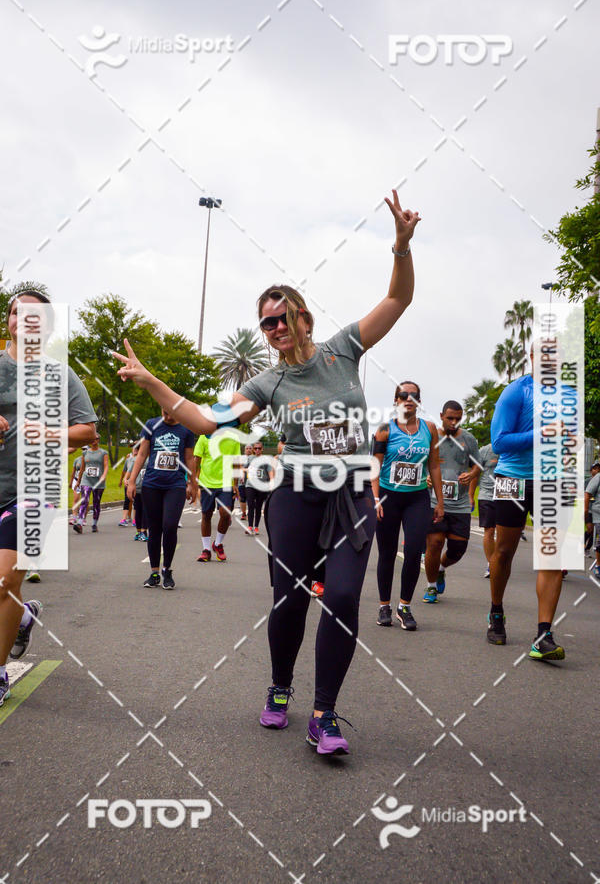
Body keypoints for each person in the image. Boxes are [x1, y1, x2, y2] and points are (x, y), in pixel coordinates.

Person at [113, 188, 420, 755]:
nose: (273, 329)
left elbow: (398, 299)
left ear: (302, 315)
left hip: (351, 494)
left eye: (280, 318)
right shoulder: (266, 384)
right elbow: (205, 422)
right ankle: (281, 687)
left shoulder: (344, 348)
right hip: (295, 495)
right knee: (290, 600)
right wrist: (153, 381)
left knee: (346, 597)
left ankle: (324, 713)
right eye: (264, 324)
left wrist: (400, 246)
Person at [1, 290, 97, 704]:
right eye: (16, 312)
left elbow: (87, 431)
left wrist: (48, 432)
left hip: (34, 489)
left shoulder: (61, 375)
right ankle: (22, 618)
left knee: (4, 581)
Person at [487, 344, 565, 660]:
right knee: (504, 552)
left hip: (553, 481)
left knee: (553, 560)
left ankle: (543, 634)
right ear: (532, 358)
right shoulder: (516, 392)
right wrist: (542, 433)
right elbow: (499, 441)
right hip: (512, 479)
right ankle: (495, 612)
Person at [372, 382, 442, 630]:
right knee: (387, 553)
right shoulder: (384, 430)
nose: (409, 399)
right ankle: (384, 606)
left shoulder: (430, 429)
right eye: (404, 395)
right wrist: (376, 498)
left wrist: (440, 502)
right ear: (396, 400)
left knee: (414, 552)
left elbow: (434, 465)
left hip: (417, 498)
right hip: (389, 497)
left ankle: (404, 606)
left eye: (414, 395)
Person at [127, 409, 196, 589]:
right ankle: (154, 572)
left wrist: (192, 483)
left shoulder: (186, 429)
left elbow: (189, 458)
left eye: (170, 412)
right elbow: (142, 454)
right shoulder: (151, 424)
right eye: (164, 412)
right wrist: (132, 481)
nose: (167, 416)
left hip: (175, 484)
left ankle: (168, 569)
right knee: (155, 528)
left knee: (170, 525)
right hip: (152, 484)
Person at [422, 401, 481, 603]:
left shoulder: (468, 439)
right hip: (434, 502)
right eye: (450, 418)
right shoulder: (432, 437)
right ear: (441, 416)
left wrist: (471, 474)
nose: (454, 422)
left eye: (458, 418)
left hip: (460, 503)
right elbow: (420, 462)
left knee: (458, 549)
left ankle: (441, 568)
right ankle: (430, 587)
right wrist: (426, 477)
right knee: (435, 543)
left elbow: (478, 465)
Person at [194, 429, 241, 561]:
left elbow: (236, 462)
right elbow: (197, 459)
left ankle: (218, 544)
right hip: (206, 482)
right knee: (206, 514)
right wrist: (194, 480)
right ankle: (206, 549)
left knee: (225, 514)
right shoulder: (204, 436)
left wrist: (235, 484)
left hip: (226, 482)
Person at [73, 435, 109, 533]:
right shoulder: (85, 453)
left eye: (96, 439)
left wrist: (104, 475)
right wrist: (78, 481)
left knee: (96, 503)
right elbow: (82, 469)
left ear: (99, 440)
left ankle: (94, 523)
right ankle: (80, 523)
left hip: (98, 481)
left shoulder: (103, 453)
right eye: (92, 438)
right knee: (85, 499)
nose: (94, 440)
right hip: (86, 479)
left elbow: (106, 466)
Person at [477, 444, 498, 578]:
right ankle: (491, 564)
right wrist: (470, 495)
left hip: (508, 496)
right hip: (487, 495)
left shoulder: (514, 448)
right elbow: (475, 472)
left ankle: (500, 562)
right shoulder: (484, 451)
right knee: (489, 530)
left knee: (503, 533)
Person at [245, 440, 270, 535]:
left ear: (262, 449)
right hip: (250, 485)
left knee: (258, 507)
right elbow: (243, 467)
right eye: (255, 448)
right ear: (253, 450)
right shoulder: (250, 458)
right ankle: (250, 526)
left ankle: (256, 527)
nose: (257, 450)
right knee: (250, 504)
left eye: (259, 448)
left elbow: (269, 472)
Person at [126, 442, 148, 541]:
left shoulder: (150, 460)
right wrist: (126, 481)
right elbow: (128, 473)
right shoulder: (135, 460)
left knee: (144, 510)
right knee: (139, 510)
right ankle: (139, 531)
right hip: (137, 489)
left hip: (147, 488)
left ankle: (143, 531)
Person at [584, 463, 600, 579]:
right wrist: (585, 509)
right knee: (590, 529)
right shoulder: (591, 480)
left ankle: (586, 547)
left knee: (592, 532)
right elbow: (586, 494)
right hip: (593, 511)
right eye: (595, 468)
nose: (597, 470)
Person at [118, 444, 136, 526]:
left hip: (138, 483)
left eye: (137, 448)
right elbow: (124, 471)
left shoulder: (144, 459)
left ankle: (135, 520)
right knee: (127, 500)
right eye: (134, 448)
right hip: (128, 483)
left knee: (136, 501)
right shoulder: (128, 459)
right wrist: (122, 480)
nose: (135, 450)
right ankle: (124, 519)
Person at [238, 443, 253, 521]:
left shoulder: (255, 458)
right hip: (242, 481)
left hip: (252, 482)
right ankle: (244, 513)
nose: (248, 450)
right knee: (242, 498)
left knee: (251, 499)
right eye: (247, 448)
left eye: (250, 448)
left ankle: (250, 513)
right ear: (244, 450)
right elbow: (240, 467)